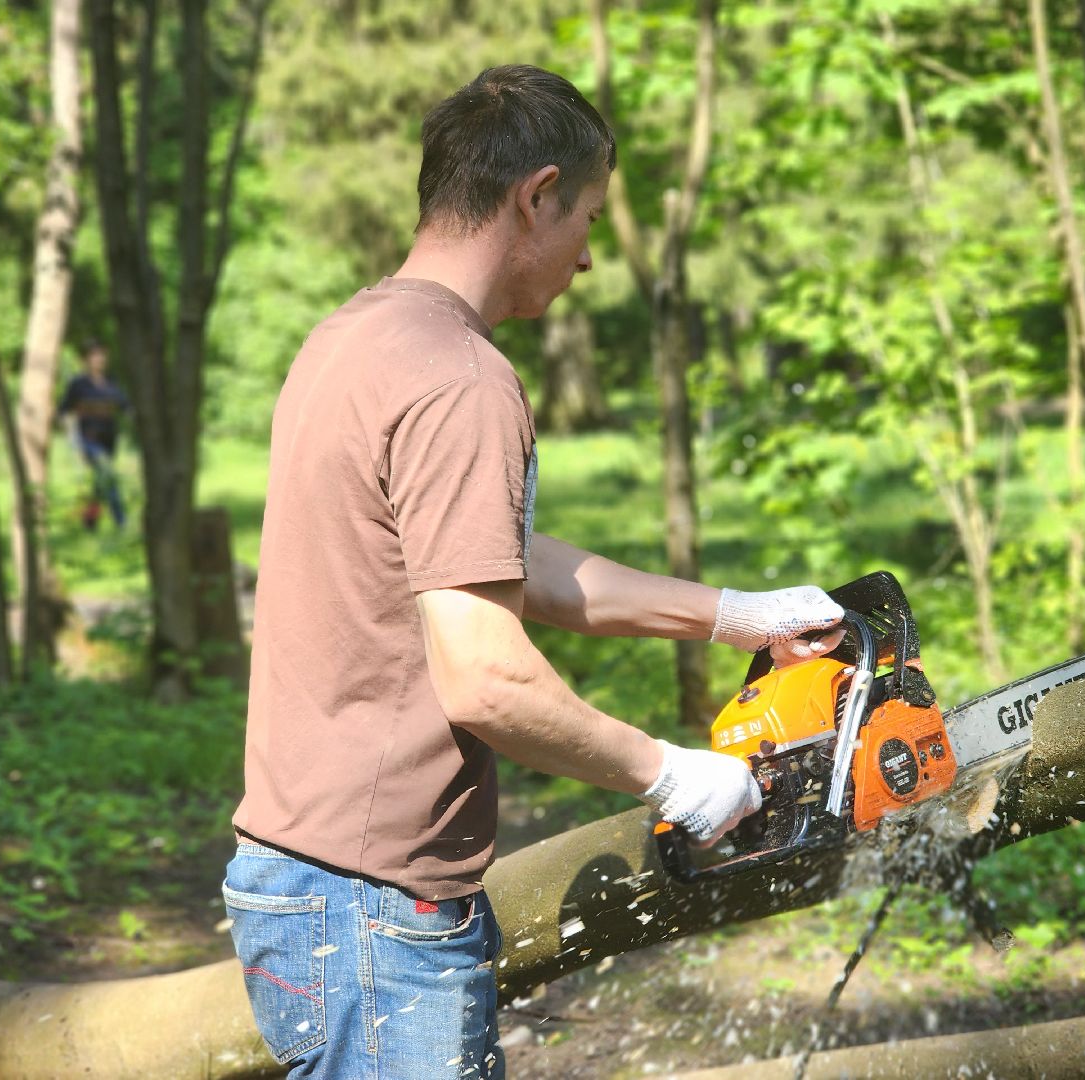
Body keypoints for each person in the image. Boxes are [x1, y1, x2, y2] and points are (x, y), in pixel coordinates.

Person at [223, 65, 845, 1080]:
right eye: (588, 218)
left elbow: (499, 561)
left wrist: (734, 615)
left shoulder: (355, 339)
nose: (590, 257)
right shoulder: (461, 381)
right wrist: (672, 773)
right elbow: (485, 677)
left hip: (302, 879)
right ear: (536, 195)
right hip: (377, 910)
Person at [57, 340, 130, 531]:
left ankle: (90, 522)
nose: (99, 359)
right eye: (94, 356)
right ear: (86, 360)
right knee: (107, 475)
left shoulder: (112, 382)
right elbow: (64, 410)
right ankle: (121, 521)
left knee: (99, 483)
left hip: (109, 440)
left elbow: (125, 406)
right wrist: (70, 437)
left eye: (102, 355)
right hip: (88, 440)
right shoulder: (78, 384)